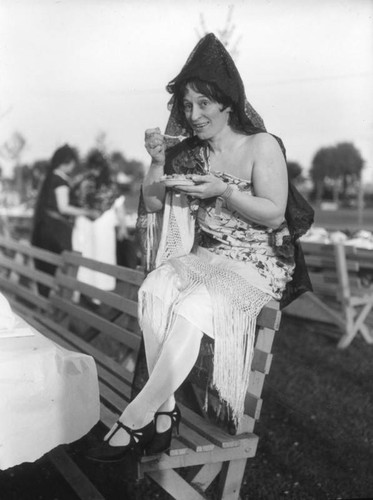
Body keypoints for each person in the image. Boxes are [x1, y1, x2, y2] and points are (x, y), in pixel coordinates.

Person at [87, 33, 313, 462]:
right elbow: (154, 201)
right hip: (207, 258)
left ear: (228, 102)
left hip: (256, 263)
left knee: (191, 306)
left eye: (204, 104)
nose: (193, 115)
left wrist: (222, 191)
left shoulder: (261, 145)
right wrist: (156, 161)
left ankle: (134, 419)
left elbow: (273, 213)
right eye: (187, 106)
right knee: (154, 290)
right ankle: (167, 413)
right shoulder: (191, 154)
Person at [31, 144, 99, 295]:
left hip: (42, 227)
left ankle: (45, 301)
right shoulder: (60, 180)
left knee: (44, 268)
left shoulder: (48, 177)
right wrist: (87, 212)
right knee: (59, 267)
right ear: (68, 162)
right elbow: (63, 207)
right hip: (55, 230)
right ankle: (57, 304)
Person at [72, 149, 128, 289]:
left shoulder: (109, 184)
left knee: (103, 257)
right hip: (85, 225)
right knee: (86, 258)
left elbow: (119, 206)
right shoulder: (83, 182)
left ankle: (101, 295)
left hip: (102, 226)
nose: (94, 171)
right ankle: (84, 292)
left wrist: (122, 227)